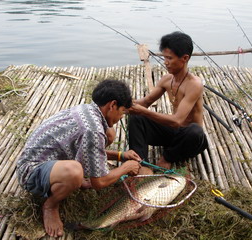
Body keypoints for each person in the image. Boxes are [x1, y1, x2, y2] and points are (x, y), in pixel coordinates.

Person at [16, 79, 142, 238]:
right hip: (31, 171)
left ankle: (69, 178)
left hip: (50, 159)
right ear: (112, 105)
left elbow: (89, 146)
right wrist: (125, 167)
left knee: (109, 133)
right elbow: (99, 183)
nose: (121, 116)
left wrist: (120, 155)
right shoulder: (93, 130)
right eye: (122, 111)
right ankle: (50, 206)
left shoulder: (90, 110)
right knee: (75, 172)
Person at [128, 31, 208, 170]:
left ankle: (167, 158)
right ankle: (139, 162)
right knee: (137, 118)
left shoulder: (194, 84)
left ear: (184, 58)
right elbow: (146, 102)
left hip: (188, 140)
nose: (165, 62)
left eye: (170, 58)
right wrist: (127, 104)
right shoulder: (167, 79)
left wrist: (144, 111)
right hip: (172, 133)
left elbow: (177, 120)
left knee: (195, 131)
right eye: (164, 58)